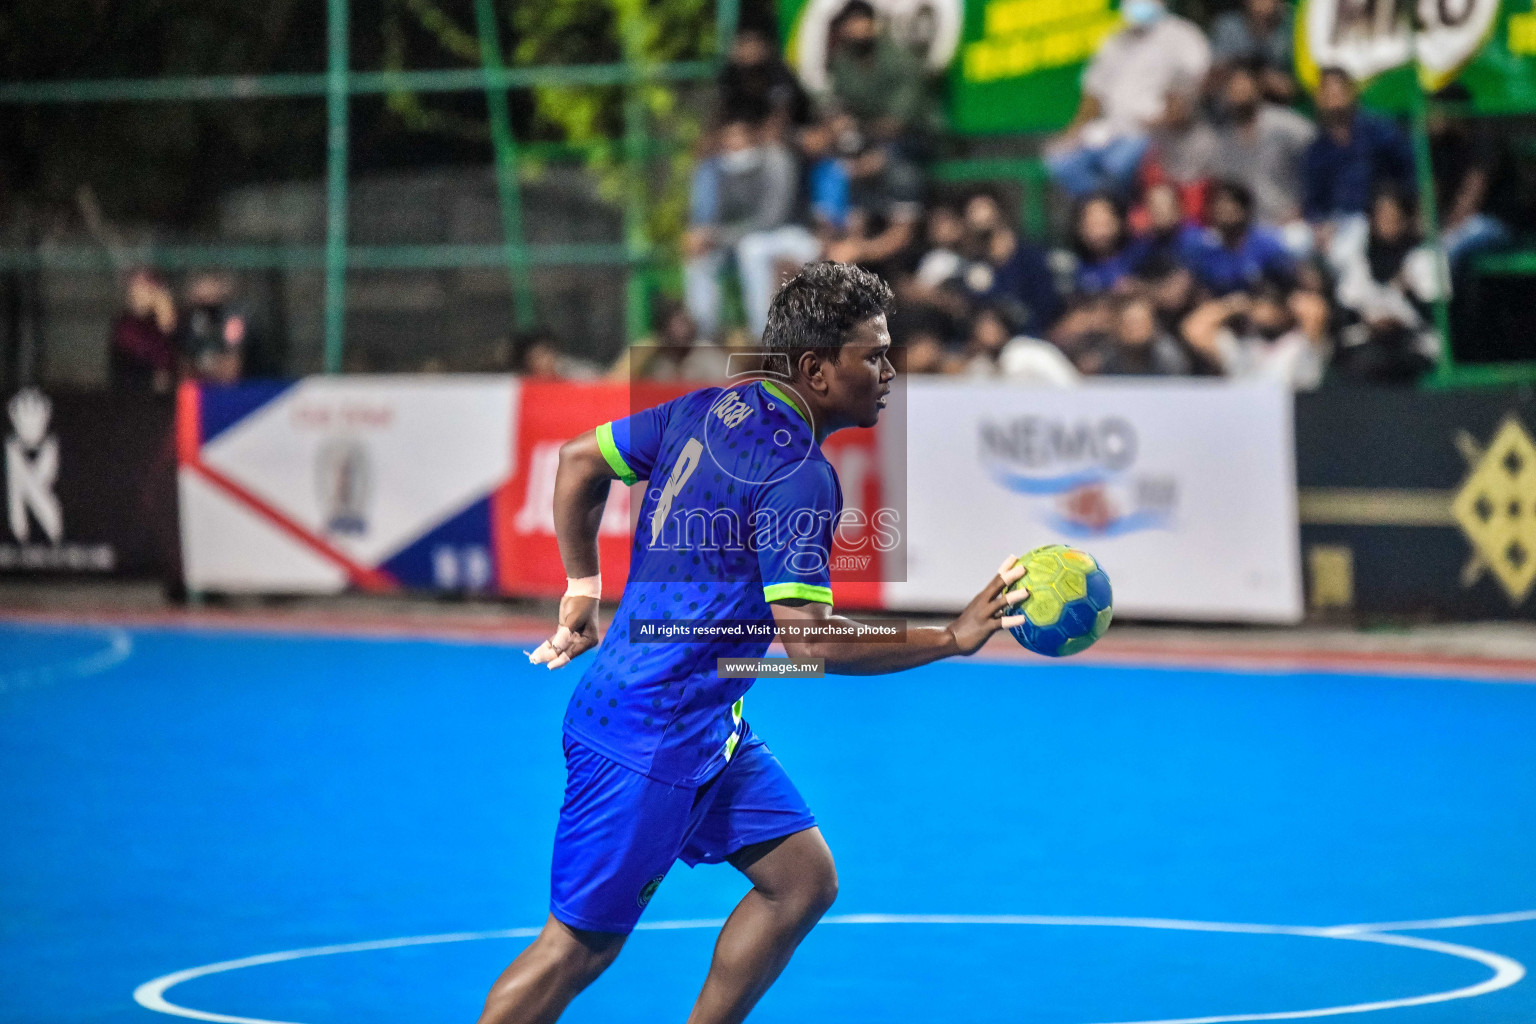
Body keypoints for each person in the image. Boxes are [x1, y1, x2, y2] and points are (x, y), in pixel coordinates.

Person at [478, 261, 1031, 1024]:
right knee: (575, 950)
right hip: (649, 735)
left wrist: (581, 585)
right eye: (872, 355)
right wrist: (950, 636)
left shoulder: (710, 405)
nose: (889, 372)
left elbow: (578, 462)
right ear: (816, 368)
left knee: (802, 881)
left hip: (698, 721)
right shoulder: (800, 474)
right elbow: (810, 646)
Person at [1045, 0, 1211, 198]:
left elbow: (1201, 82)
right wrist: (1072, 133)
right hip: (1112, 130)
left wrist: (1167, 118)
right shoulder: (1114, 39)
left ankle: (1111, 212)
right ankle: (1098, 209)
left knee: (1115, 166)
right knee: (1059, 161)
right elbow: (1094, 93)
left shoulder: (1182, 35)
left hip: (1153, 134)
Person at [684, 118, 805, 339]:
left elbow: (772, 219)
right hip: (736, 240)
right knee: (701, 258)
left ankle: (761, 334)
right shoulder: (719, 168)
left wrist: (717, 236)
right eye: (728, 140)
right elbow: (713, 217)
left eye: (738, 138)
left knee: (752, 249)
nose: (733, 145)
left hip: (789, 235)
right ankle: (703, 336)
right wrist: (703, 236)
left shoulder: (776, 160)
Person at [1327, 186, 1444, 383]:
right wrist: (1370, 322)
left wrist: (1409, 295)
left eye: (1394, 217)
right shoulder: (1361, 262)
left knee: (1379, 362)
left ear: (1406, 219)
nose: (1388, 223)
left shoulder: (1424, 258)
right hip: (1369, 343)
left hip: (1414, 345)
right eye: (1382, 216)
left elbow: (1438, 318)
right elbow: (1346, 311)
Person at [1302, 68, 1415, 254]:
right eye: (1327, 94)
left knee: (1346, 249)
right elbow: (1314, 199)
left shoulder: (1378, 131)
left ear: (1351, 93)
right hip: (1335, 221)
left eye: (1337, 92)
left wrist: (1402, 207)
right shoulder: (1317, 149)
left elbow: (1408, 169)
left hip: (1374, 216)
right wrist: (1319, 225)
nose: (1333, 100)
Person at [1209, 61, 1316, 252]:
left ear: (1257, 89)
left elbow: (1320, 157)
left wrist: (1303, 207)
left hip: (1287, 223)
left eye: (1244, 84)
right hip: (1245, 230)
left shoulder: (1285, 125)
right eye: (1233, 86)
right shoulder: (1223, 141)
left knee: (1299, 242)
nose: (1239, 91)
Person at [825, 0, 945, 158]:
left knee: (892, 165)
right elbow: (838, 103)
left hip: (917, 135)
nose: (857, 30)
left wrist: (859, 127)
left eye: (862, 23)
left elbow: (895, 123)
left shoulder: (900, 60)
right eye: (851, 24)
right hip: (871, 137)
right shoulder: (842, 64)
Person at [1182, 180, 1295, 296]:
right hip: (1224, 307)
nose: (1221, 211)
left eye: (1228, 204)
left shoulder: (1266, 244)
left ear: (1244, 210)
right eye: (1218, 205)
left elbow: (1289, 281)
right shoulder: (1207, 250)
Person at [718, 25, 812, 138]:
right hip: (746, 136)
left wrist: (753, 137)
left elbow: (781, 115)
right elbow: (721, 115)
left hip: (791, 132)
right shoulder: (730, 76)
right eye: (744, 44)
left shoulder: (778, 73)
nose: (749, 50)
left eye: (753, 44)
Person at [1209, 0, 1296, 102]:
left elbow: (1291, 86)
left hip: (1275, 107)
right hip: (1227, 103)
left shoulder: (1289, 29)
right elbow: (1214, 77)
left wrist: (1265, 81)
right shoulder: (1228, 26)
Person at [108, 268, 176, 392]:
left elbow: (171, 361)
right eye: (138, 286)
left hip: (165, 396)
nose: (143, 291)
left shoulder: (159, 321)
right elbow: (153, 357)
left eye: (149, 287)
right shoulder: (125, 326)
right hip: (131, 395)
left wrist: (166, 317)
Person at [176, 272, 248, 385]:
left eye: (211, 283)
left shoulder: (231, 318)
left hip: (232, 389)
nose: (206, 289)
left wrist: (212, 369)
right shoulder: (189, 317)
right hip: (198, 387)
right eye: (200, 283)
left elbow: (232, 370)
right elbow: (184, 368)